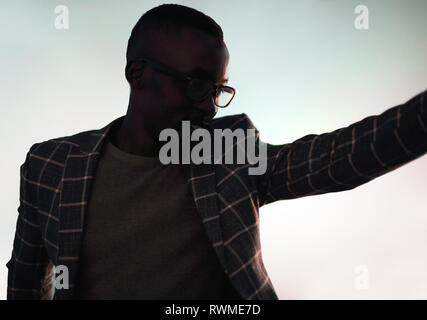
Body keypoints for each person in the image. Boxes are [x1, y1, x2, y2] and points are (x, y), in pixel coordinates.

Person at [6, 4, 427, 300]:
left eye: (218, 90)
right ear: (138, 74)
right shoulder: (51, 165)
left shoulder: (228, 152)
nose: (208, 106)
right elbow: (26, 282)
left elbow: (339, 157)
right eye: (195, 84)